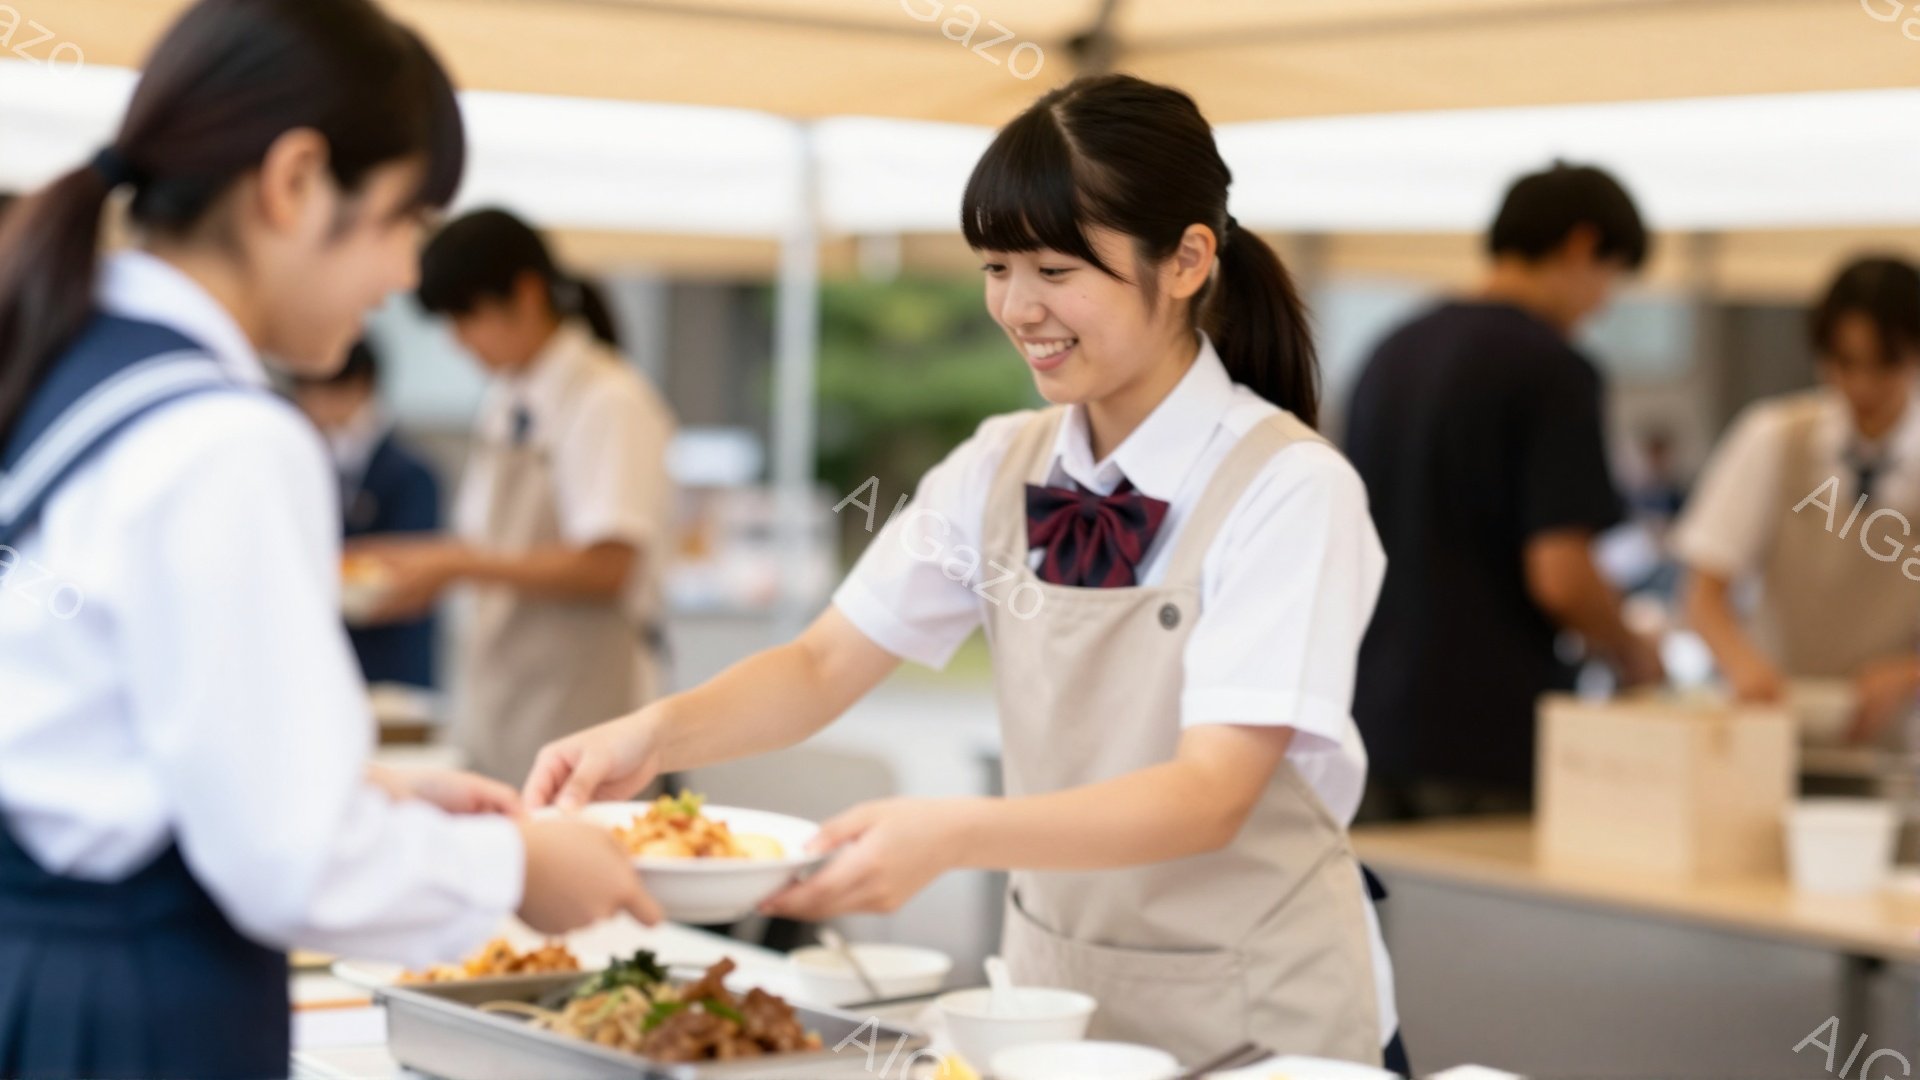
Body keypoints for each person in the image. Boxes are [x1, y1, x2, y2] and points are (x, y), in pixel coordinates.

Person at [525, 74, 1407, 1072]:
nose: (1018, 307)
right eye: (996, 267)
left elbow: (1211, 793)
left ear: (1188, 259)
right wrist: (653, 733)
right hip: (1052, 1008)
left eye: (1056, 268)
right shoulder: (996, 465)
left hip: (1266, 1024)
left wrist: (949, 833)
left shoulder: (1291, 488)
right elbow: (822, 666)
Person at [0, 3, 658, 1076]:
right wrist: (515, 869)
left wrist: (376, 793)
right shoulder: (226, 436)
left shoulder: (72, 362)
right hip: (134, 1003)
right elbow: (293, 862)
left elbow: (120, 728)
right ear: (296, 181)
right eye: (404, 222)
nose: (404, 278)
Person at [1344, 162, 1665, 821]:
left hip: (1366, 720)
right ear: (1581, 246)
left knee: (1380, 920)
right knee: (1486, 925)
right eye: (1610, 278)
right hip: (1483, 734)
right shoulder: (1553, 368)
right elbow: (1561, 577)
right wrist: (1635, 650)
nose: (1602, 304)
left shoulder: (1389, 351)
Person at [358, 209, 676, 784]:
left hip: (583, 708)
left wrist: (456, 564)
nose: (457, 342)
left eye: (465, 317)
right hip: (504, 709)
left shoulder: (608, 400)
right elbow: (491, 546)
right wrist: (424, 567)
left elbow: (610, 565)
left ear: (525, 296)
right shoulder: (509, 397)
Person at [1675, 256, 1920, 740]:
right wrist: (1743, 664)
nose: (1862, 386)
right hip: (1779, 727)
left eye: (1885, 364)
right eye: (1845, 363)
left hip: (1904, 743)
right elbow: (1703, 594)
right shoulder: (1772, 438)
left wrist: (1910, 672)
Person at [292, 340, 441, 689]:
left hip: (391, 661)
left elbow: (416, 568)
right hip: (323, 657)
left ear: (360, 387)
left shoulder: (411, 473)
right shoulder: (307, 456)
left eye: (323, 392)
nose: (313, 406)